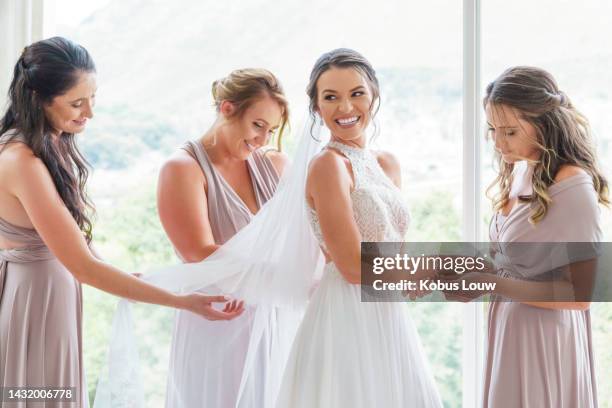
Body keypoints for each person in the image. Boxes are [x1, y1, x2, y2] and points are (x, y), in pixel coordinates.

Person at [0, 37, 242, 407]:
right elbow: (84, 266)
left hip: (48, 294)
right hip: (35, 301)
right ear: (37, 98)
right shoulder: (23, 160)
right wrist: (182, 301)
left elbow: (82, 253)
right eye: (77, 102)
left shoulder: (46, 146)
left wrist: (132, 280)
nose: (89, 113)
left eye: (92, 99)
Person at [275, 48, 442, 408]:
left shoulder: (387, 163)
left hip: (388, 309)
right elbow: (351, 266)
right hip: (346, 313)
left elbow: (395, 247)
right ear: (317, 108)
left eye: (356, 93)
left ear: (374, 95)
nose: (346, 108)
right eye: (331, 97)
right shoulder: (327, 166)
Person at [447, 66, 609, 407]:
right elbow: (515, 264)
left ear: (543, 124)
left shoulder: (572, 185)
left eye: (509, 131)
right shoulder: (523, 168)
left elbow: (581, 296)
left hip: (545, 340)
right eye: (492, 130)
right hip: (511, 332)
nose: (497, 143)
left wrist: (492, 283)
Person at [157, 68, 289, 407]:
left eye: (271, 130)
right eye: (258, 125)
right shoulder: (182, 168)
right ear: (227, 109)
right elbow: (198, 252)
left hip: (272, 320)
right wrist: (285, 275)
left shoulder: (274, 165)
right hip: (215, 322)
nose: (262, 139)